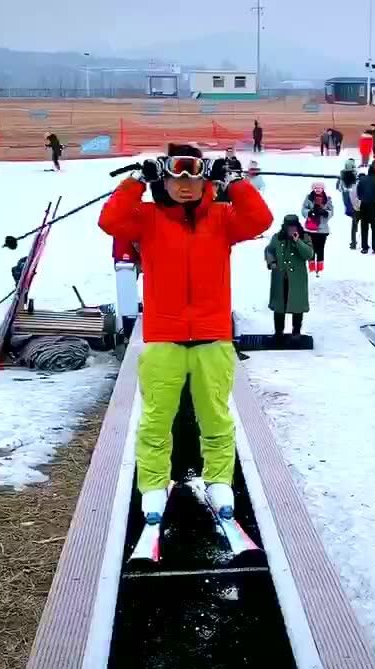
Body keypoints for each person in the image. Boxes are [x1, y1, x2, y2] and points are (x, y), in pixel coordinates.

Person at [97, 143, 273, 525]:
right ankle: (154, 485)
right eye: (177, 177)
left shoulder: (223, 218)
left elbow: (260, 220)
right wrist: (134, 182)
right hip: (164, 338)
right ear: (164, 178)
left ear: (205, 179)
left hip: (213, 336)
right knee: (157, 419)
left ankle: (220, 480)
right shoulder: (147, 218)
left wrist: (236, 182)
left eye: (194, 177)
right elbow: (110, 222)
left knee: (216, 418)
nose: (186, 185)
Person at [265, 215, 312, 341]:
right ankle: (278, 333)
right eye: (289, 227)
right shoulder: (277, 238)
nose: (291, 229)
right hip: (280, 278)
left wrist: (298, 242)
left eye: (293, 227)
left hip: (297, 280)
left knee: (297, 306)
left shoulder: (304, 237)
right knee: (279, 306)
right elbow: (269, 250)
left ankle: (296, 332)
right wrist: (272, 262)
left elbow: (309, 254)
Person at [301, 182, 334, 276]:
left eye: (320, 188)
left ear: (323, 189)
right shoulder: (308, 198)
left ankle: (320, 268)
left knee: (320, 249)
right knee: (311, 248)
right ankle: (311, 268)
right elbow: (303, 209)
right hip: (310, 229)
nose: (318, 189)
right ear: (313, 189)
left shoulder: (327, 199)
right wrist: (309, 213)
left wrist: (325, 213)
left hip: (322, 229)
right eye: (316, 188)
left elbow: (331, 211)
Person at [356, 163, 375, 254]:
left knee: (364, 226)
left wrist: (362, 198)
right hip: (374, 205)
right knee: (374, 227)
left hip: (364, 205)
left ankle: (364, 247)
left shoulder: (362, 179)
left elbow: (358, 192)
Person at [336, 158, 360, 248]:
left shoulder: (342, 176)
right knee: (357, 222)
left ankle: (353, 242)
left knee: (354, 223)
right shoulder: (355, 176)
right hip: (355, 202)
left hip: (347, 202)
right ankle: (356, 242)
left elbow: (338, 188)